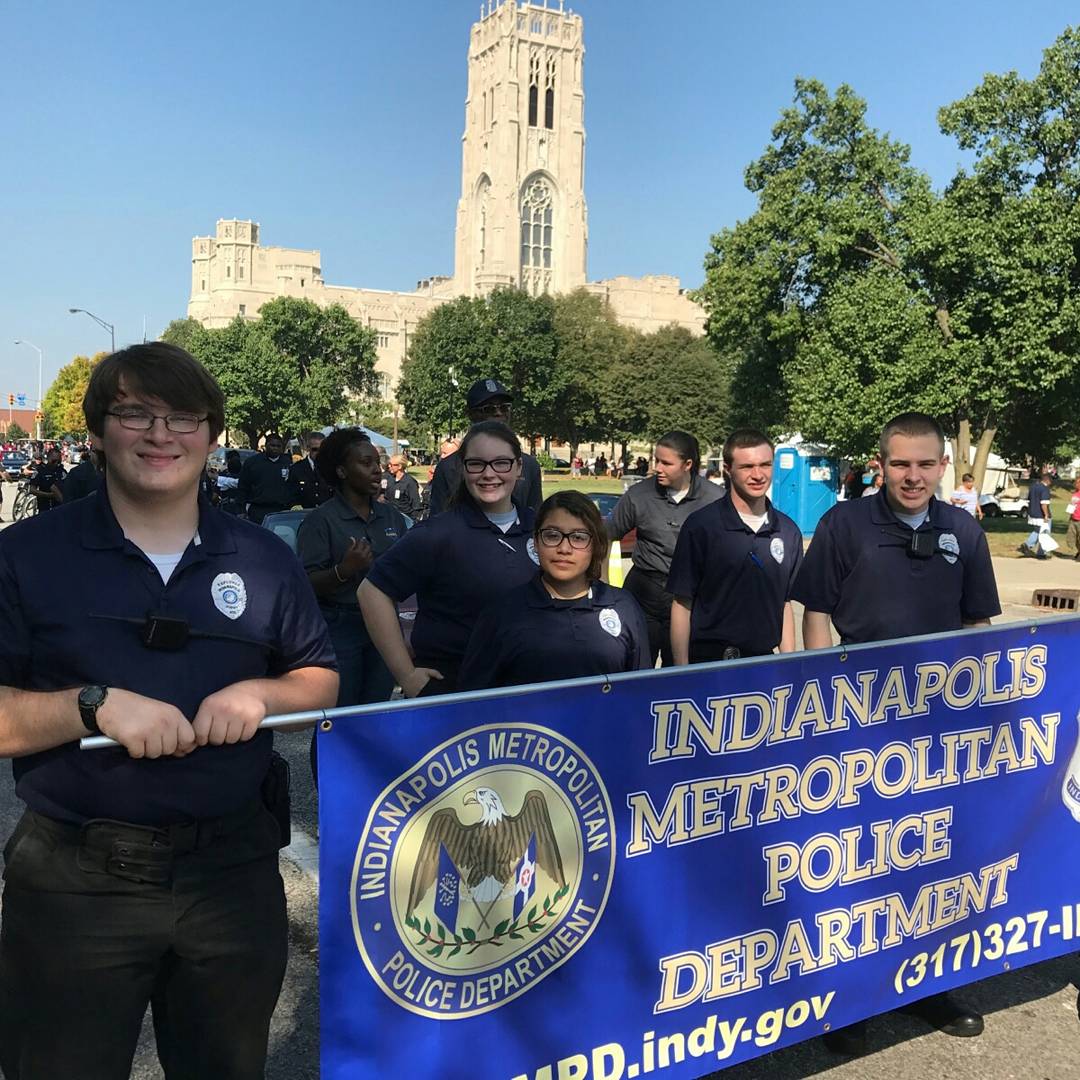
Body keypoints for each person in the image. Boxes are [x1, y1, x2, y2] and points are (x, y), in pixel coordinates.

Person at [0, 341, 338, 1080]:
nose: (162, 434)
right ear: (95, 431)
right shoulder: (25, 555)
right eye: (135, 413)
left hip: (233, 874)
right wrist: (92, 707)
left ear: (213, 435)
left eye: (185, 416)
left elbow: (319, 679)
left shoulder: (262, 558)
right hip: (76, 883)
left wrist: (262, 694)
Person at [792, 411, 1000, 1055]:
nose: (912, 476)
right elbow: (817, 610)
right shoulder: (844, 523)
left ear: (943, 466)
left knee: (933, 852)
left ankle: (926, 983)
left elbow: (976, 627)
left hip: (936, 728)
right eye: (900, 463)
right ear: (880, 464)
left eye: (924, 464)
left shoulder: (963, 530)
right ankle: (851, 997)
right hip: (858, 722)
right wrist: (828, 695)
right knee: (859, 859)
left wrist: (975, 714)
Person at [359, 421, 539, 697]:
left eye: (501, 463)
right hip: (454, 692)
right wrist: (406, 674)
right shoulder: (437, 533)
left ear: (518, 467)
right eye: (476, 464)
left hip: (529, 689)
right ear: (462, 469)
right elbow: (372, 592)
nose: (489, 474)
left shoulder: (542, 529)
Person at [459, 491, 650, 689]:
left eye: (578, 537)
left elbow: (641, 693)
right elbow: (473, 701)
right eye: (552, 535)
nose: (564, 548)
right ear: (535, 541)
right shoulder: (502, 614)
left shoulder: (624, 606)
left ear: (596, 544)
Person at [668, 430, 802, 664]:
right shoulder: (701, 527)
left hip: (764, 664)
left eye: (765, 465)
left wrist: (788, 663)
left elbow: (784, 603)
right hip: (709, 663)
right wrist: (681, 672)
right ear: (727, 470)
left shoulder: (788, 531)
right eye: (747, 467)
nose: (758, 475)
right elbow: (682, 604)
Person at [297, 429, 408, 710]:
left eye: (377, 463)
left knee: (375, 712)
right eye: (366, 463)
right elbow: (305, 584)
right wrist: (345, 570)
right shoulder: (320, 521)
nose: (376, 470)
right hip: (339, 627)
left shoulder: (391, 516)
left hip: (384, 626)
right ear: (342, 471)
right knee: (339, 717)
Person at [605, 430, 722, 666]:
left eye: (666, 463)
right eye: (656, 460)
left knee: (680, 672)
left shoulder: (715, 499)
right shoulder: (639, 495)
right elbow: (605, 537)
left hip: (691, 599)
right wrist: (604, 588)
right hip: (644, 593)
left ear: (688, 464)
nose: (657, 467)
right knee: (636, 669)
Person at [427, 380, 543, 515]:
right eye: (489, 408)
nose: (498, 413)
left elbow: (536, 519)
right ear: (469, 414)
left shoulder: (529, 466)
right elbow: (438, 523)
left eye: (504, 407)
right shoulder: (448, 467)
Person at [238, 431, 294, 523]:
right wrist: (241, 510)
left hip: (281, 510)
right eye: (272, 445)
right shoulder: (252, 463)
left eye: (278, 446)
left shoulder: (288, 463)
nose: (275, 448)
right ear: (266, 445)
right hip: (258, 509)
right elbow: (243, 487)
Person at [288, 430, 331, 509]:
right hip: (305, 515)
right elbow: (291, 494)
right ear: (308, 448)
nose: (319, 453)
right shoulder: (296, 469)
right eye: (315, 449)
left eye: (322, 449)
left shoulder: (331, 468)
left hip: (328, 515)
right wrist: (294, 505)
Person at [1019, 470, 1053, 559]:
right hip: (1041, 514)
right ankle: (1041, 553)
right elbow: (1044, 504)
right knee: (1044, 533)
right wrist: (1046, 514)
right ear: (1048, 480)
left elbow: (1029, 499)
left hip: (1033, 512)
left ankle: (1027, 544)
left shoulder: (1033, 487)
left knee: (1037, 531)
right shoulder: (1044, 489)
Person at [382, 453, 422, 521]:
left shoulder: (410, 482)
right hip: (389, 517)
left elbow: (416, 505)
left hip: (405, 519)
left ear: (400, 466)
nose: (389, 466)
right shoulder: (389, 478)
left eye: (391, 465)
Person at [28, 444, 65, 512]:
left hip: (59, 508)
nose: (56, 463)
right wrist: (48, 495)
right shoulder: (40, 471)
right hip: (45, 507)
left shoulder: (62, 471)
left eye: (58, 461)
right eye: (54, 461)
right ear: (48, 458)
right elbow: (32, 489)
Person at [1066, 476, 1080, 561]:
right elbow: (1072, 505)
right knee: (1072, 538)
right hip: (1073, 518)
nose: (1076, 484)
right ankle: (1079, 551)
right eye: (1076, 483)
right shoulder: (1075, 494)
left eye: (1078, 483)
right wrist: (1070, 516)